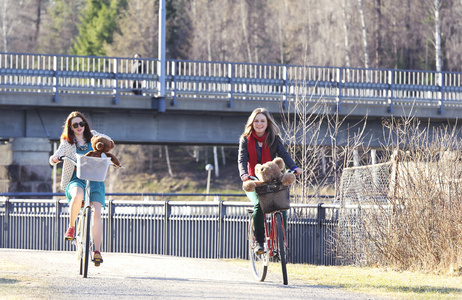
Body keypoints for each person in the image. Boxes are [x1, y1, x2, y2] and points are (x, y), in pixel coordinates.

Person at [49, 111, 113, 266]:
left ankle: (97, 251)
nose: (79, 127)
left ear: (85, 124)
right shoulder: (67, 143)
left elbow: (109, 142)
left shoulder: (94, 136)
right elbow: (54, 158)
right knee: (78, 195)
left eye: (81, 124)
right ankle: (71, 228)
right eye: (75, 125)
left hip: (95, 179)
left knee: (97, 212)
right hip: (76, 179)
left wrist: (106, 145)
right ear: (70, 128)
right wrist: (54, 159)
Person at [238, 108, 302, 254]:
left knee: (282, 207)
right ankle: (260, 242)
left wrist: (294, 167)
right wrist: (244, 174)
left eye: (262, 121)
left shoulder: (274, 138)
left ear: (267, 123)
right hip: (254, 180)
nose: (259, 124)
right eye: (256, 121)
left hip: (272, 180)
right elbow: (242, 159)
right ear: (252, 123)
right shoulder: (245, 139)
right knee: (259, 205)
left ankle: (280, 243)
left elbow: (284, 155)